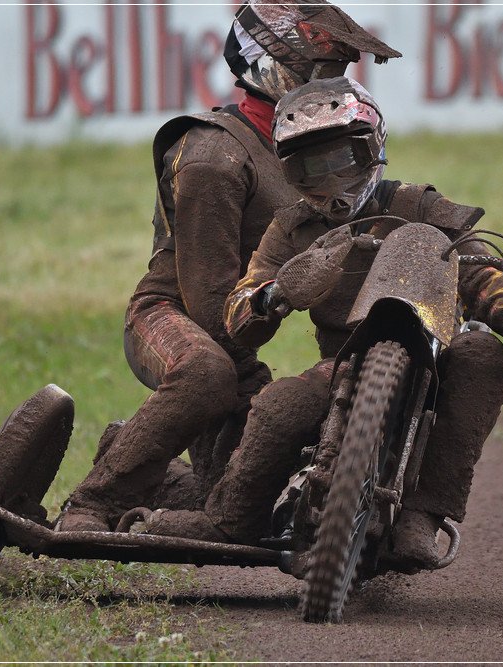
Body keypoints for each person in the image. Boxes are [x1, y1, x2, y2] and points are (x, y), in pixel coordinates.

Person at [138, 77, 503, 570]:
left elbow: (480, 267)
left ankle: (425, 512)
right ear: (289, 173)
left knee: (482, 356)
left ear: (373, 148)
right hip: (343, 361)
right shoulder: (290, 227)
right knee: (279, 405)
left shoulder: (416, 203)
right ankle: (231, 519)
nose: (332, 184)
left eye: (342, 159)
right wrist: (278, 293)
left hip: (438, 346)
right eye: (310, 168)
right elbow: (238, 310)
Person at [56, 4, 400, 532]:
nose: (332, 87)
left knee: (252, 487)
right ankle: (92, 505)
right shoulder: (214, 155)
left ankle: (133, 455)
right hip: (173, 315)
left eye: (339, 74)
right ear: (274, 69)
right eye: (322, 72)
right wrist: (266, 321)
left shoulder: (309, 154)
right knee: (207, 375)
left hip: (237, 328)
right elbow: (206, 302)